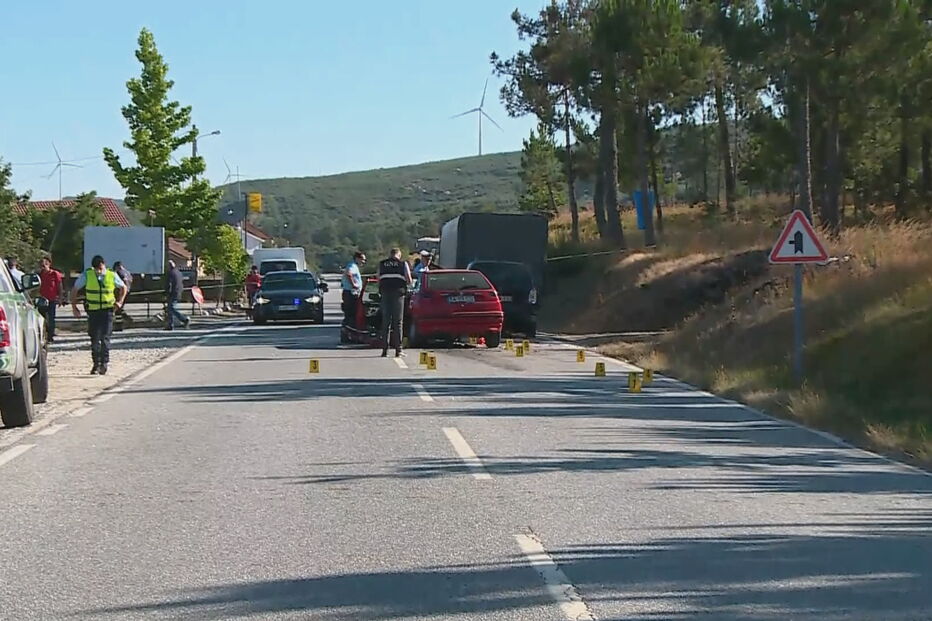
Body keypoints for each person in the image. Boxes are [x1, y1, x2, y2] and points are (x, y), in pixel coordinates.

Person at [71, 255, 127, 375]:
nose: (98, 271)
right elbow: (75, 289)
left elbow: (123, 288)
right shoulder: (87, 275)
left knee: (105, 337)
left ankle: (104, 364)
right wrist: (74, 306)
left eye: (100, 268)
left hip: (108, 310)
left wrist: (120, 302)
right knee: (94, 338)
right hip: (93, 311)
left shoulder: (111, 275)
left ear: (104, 265)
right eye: (96, 269)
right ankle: (96, 364)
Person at [377, 247, 413, 358]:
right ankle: (398, 350)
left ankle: (384, 350)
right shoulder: (402, 264)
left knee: (386, 322)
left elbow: (378, 278)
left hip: (385, 293)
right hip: (398, 294)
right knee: (398, 322)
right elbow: (409, 279)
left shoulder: (382, 264)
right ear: (398, 255)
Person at [37, 256, 64, 342]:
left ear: (49, 264)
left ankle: (50, 335)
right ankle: (43, 335)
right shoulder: (39, 274)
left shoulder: (55, 274)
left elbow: (59, 286)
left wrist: (60, 298)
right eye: (41, 264)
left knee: (51, 318)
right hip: (42, 300)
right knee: (42, 318)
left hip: (52, 299)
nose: (43, 266)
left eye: (45, 264)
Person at [341, 251, 366, 329]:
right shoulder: (352, 266)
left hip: (351, 293)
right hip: (351, 293)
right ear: (357, 258)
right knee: (351, 313)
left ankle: (350, 328)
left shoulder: (353, 266)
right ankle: (350, 330)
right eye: (363, 259)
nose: (364, 262)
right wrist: (354, 285)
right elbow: (349, 274)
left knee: (352, 313)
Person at [164, 260, 190, 330]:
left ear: (169, 266)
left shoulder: (171, 273)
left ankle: (184, 319)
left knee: (171, 308)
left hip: (173, 293)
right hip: (179, 292)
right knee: (170, 309)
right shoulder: (179, 273)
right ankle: (170, 325)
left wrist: (166, 293)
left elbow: (169, 284)